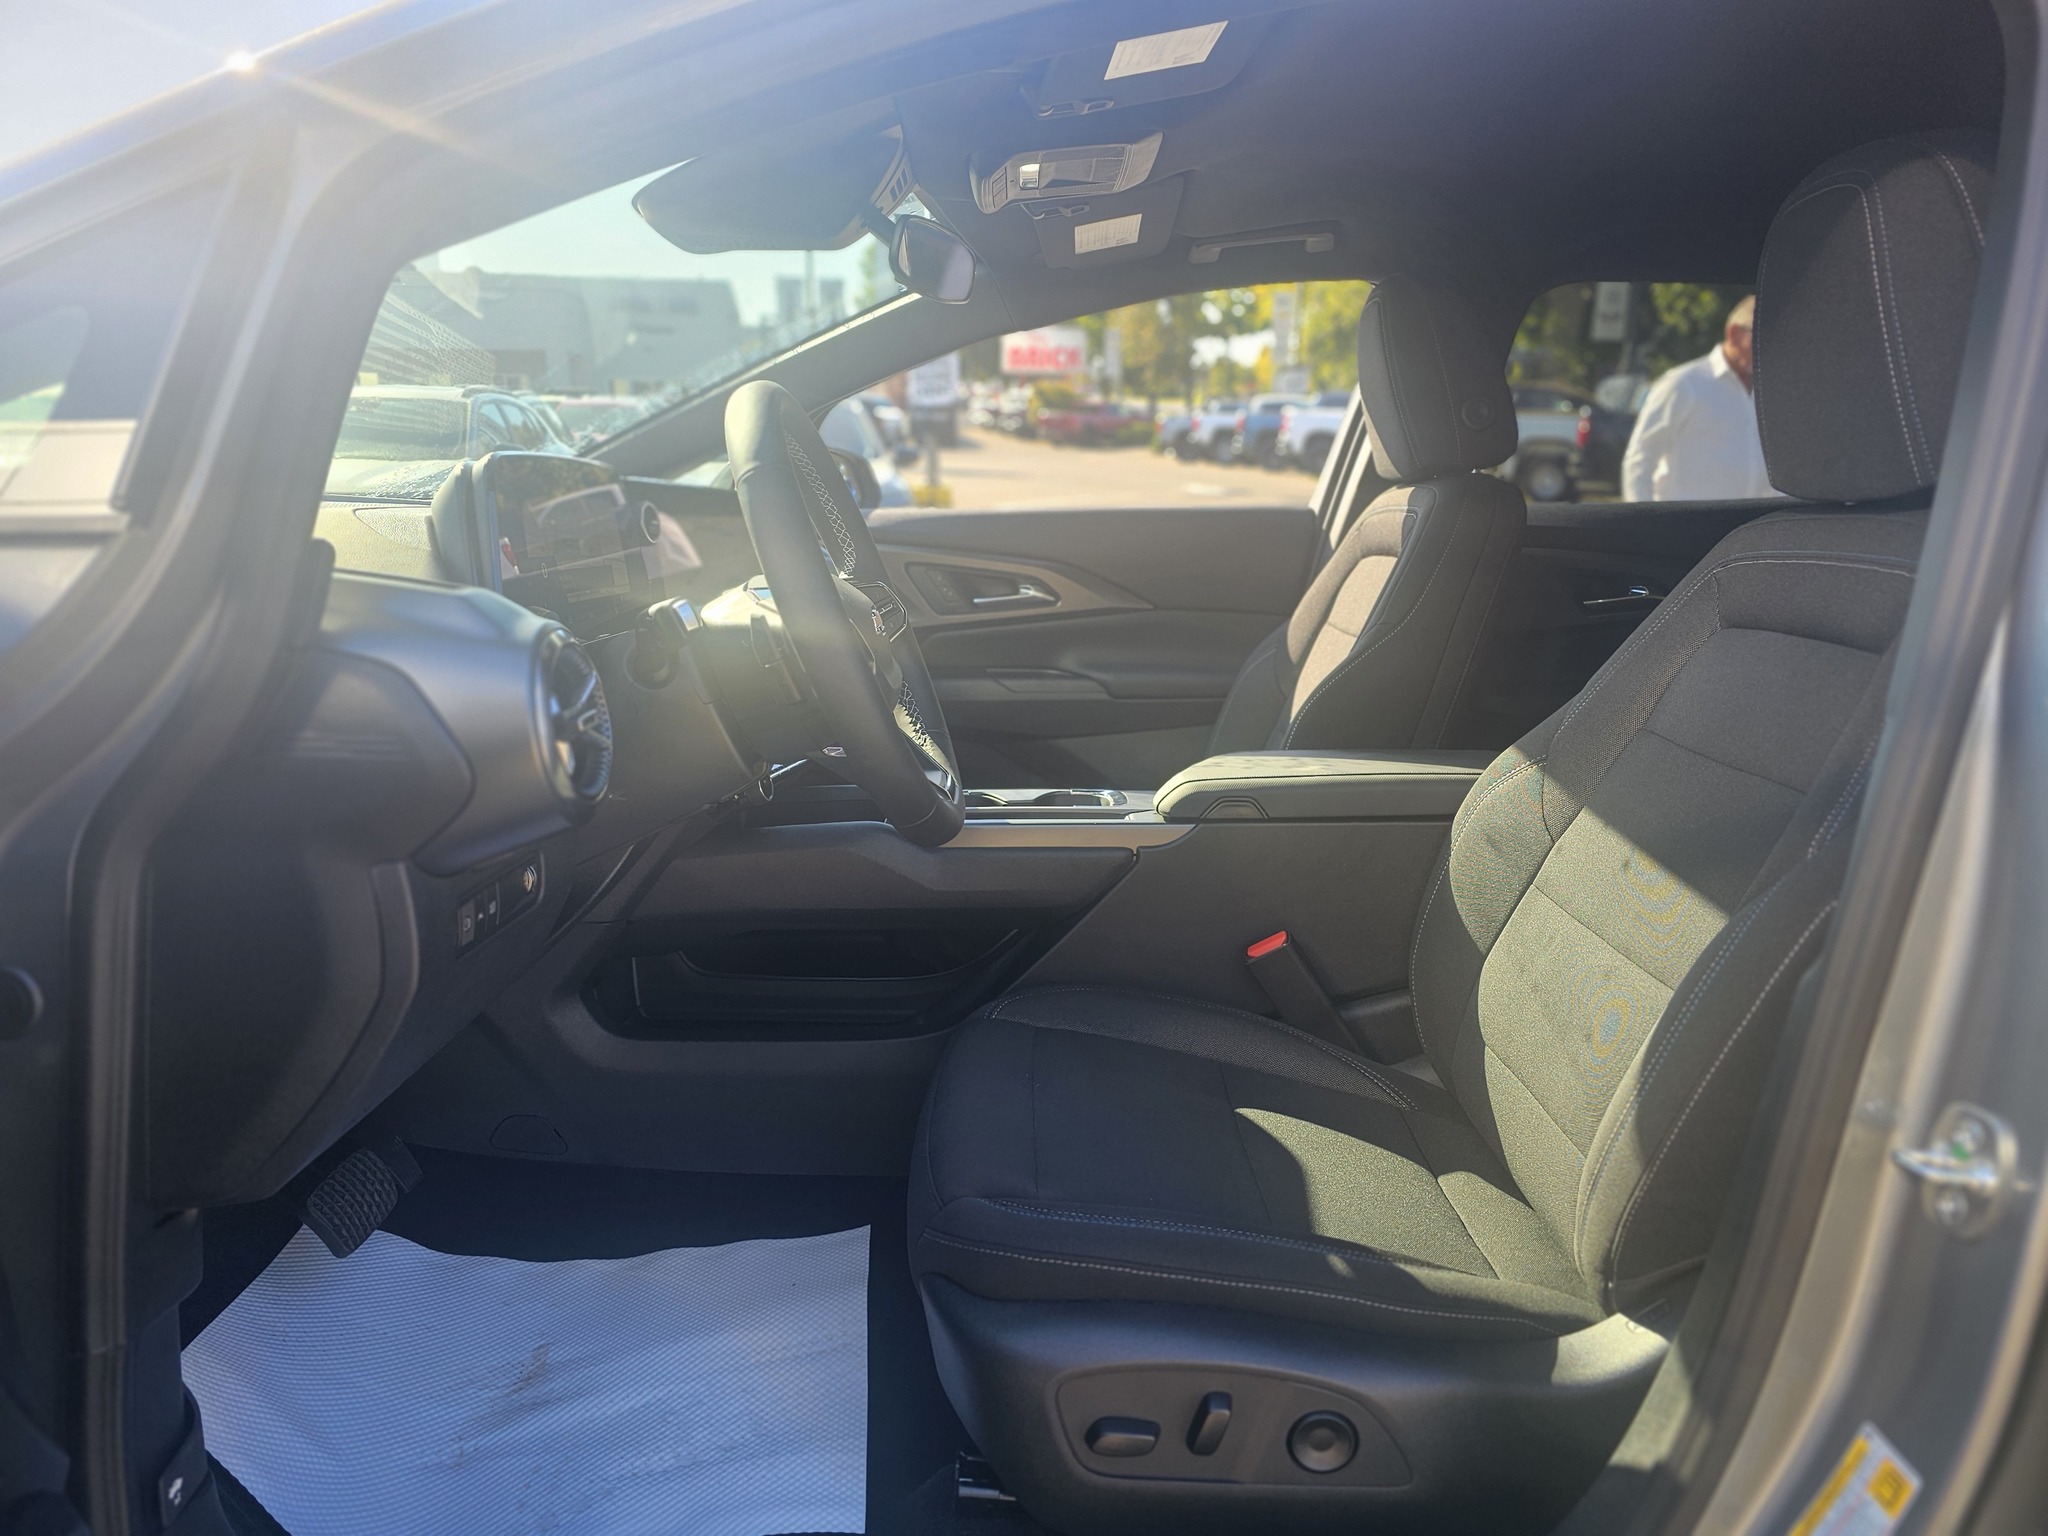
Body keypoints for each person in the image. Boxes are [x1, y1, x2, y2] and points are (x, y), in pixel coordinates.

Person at [1620, 294, 1774, 501]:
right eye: (1765, 337)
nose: (1773, 347)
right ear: (1735, 334)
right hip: (1687, 520)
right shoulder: (1684, 383)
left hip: (1753, 520)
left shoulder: (1774, 391)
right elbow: (1640, 460)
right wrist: (1643, 520)